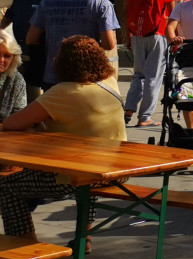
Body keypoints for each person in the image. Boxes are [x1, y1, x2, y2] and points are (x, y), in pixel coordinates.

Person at [0, 36, 125, 243]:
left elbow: (14, 123)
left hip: (75, 176)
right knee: (88, 174)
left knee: (6, 186)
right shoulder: (109, 83)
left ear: (64, 63)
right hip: (116, 172)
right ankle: (84, 239)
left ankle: (25, 247)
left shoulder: (62, 92)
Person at [26, 0, 118, 89]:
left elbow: (31, 39)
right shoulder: (101, 3)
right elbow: (109, 44)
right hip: (86, 77)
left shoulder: (48, 0)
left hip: (53, 76)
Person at [122, 0, 178, 127]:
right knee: (153, 77)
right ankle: (145, 117)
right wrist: (174, 38)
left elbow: (127, 9)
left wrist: (129, 34)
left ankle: (129, 109)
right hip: (158, 34)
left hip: (137, 33)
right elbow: (173, 15)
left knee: (138, 74)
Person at [0, 0, 49, 96]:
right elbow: (9, 16)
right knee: (20, 82)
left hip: (41, 49)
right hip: (21, 49)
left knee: (37, 84)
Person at [0, 31, 28, 120]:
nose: (1, 60)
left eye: (7, 56)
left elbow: (19, 115)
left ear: (14, 58)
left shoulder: (16, 79)